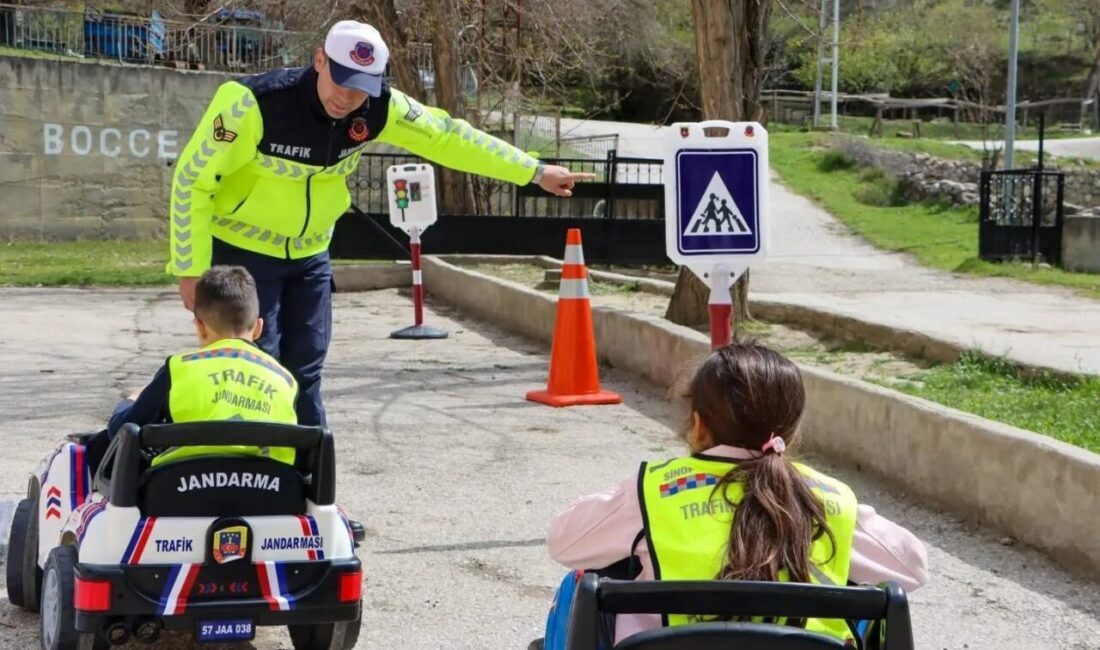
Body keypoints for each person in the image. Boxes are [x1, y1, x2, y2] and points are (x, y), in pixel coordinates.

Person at [167, 19, 594, 427]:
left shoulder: (380, 108)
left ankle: (309, 481)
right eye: (340, 80)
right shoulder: (251, 104)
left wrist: (533, 171)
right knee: (254, 367)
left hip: (310, 256)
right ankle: (244, 474)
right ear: (319, 60)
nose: (347, 98)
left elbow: (448, 136)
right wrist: (189, 269)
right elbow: (192, 181)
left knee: (307, 370)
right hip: (243, 258)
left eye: (360, 88)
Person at [542, 342, 929, 647]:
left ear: (697, 423)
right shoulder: (830, 499)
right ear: (790, 431)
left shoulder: (654, 490)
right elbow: (912, 569)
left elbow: (564, 542)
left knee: (577, 584)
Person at [85, 265, 299, 473]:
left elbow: (121, 431)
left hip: (182, 487)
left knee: (101, 444)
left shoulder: (180, 367)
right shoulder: (285, 380)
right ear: (259, 328)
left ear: (200, 326)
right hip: (269, 487)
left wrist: (130, 401)